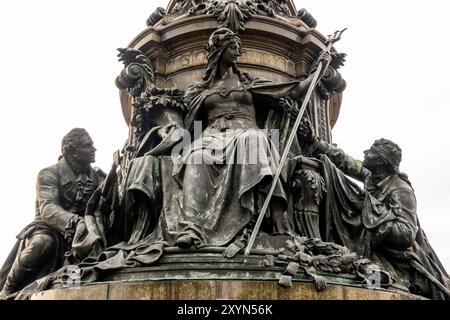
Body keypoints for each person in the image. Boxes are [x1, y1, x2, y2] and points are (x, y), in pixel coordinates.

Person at [172, 27, 332, 248]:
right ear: (220, 51)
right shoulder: (202, 89)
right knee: (196, 155)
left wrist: (318, 73)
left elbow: (292, 93)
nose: (238, 51)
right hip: (211, 136)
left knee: (253, 140)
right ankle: (192, 229)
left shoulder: (249, 82)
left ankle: (255, 219)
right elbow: (184, 118)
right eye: (232, 47)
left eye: (238, 46)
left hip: (246, 131)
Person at [307, 135, 450, 299]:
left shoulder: (401, 190)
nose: (365, 152)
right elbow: (345, 161)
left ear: (380, 161)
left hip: (395, 258)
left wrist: (373, 213)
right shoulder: (371, 176)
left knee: (374, 287)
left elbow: (406, 234)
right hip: (371, 244)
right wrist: (317, 142)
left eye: (371, 152)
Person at [0, 128, 105, 299]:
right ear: (72, 151)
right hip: (50, 227)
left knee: (81, 257)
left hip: (81, 234)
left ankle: (71, 292)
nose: (94, 149)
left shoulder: (99, 177)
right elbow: (48, 208)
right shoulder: (48, 173)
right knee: (42, 243)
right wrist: (75, 221)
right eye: (88, 146)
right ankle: (6, 290)